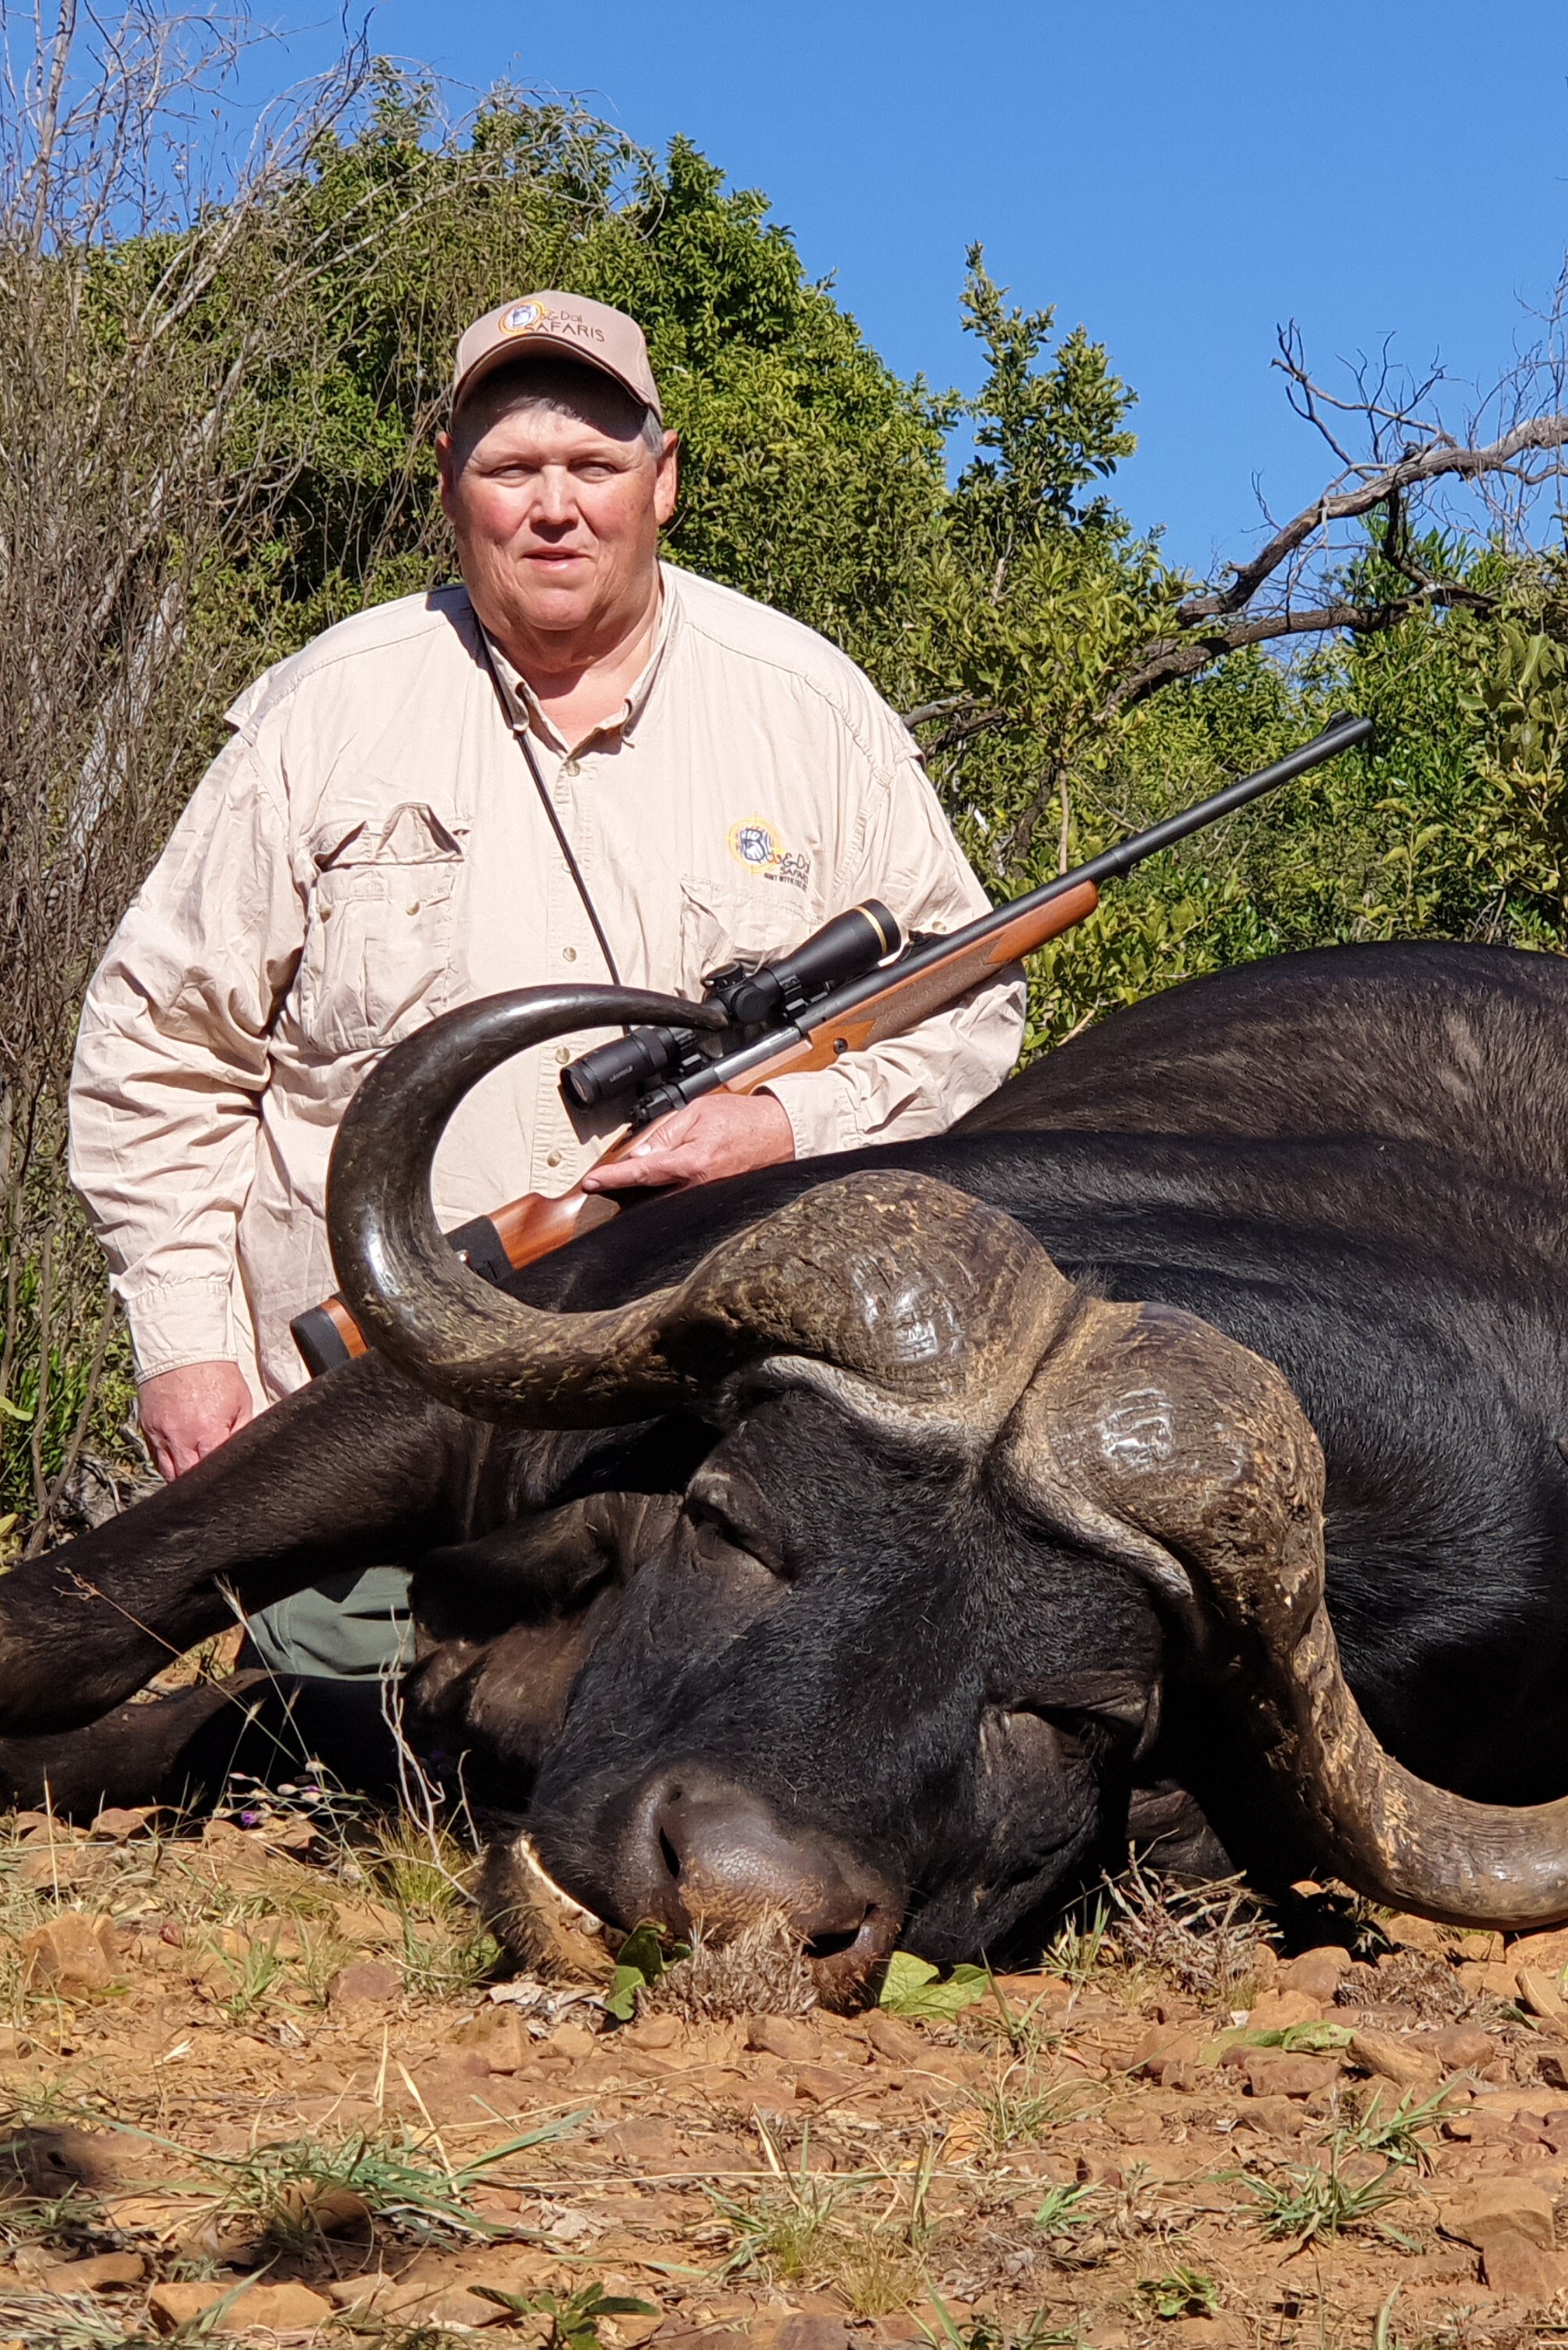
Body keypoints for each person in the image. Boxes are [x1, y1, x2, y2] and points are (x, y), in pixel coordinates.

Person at [66, 290, 1021, 1789]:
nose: (556, 508)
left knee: (704, 1760)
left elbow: (966, 1011)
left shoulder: (810, 708)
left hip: (693, 1436)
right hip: (369, 1426)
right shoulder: (328, 713)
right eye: (514, 469)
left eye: (593, 462)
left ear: (666, 478)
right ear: (449, 478)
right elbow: (156, 1054)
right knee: (349, 1767)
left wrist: (778, 1130)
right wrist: (189, 1357)